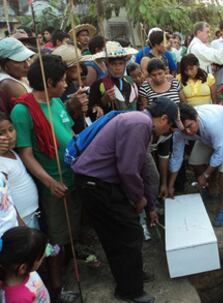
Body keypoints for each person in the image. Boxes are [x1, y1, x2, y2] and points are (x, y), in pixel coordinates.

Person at [72, 99, 183, 303]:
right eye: (170, 126)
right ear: (164, 118)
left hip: (97, 183)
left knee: (119, 234)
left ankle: (130, 279)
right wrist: (138, 199)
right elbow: (128, 170)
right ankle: (130, 290)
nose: (168, 131)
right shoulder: (139, 123)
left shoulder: (139, 123)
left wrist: (150, 205)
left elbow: (142, 170)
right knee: (128, 233)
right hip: (96, 184)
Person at [10, 55, 82, 302]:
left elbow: (70, 132)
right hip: (54, 186)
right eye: (61, 81)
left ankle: (68, 270)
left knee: (71, 230)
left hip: (72, 177)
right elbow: (26, 154)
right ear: (49, 81)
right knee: (56, 239)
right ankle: (57, 287)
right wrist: (50, 182)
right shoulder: (23, 110)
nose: (66, 84)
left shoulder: (57, 102)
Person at [168, 103, 223, 227]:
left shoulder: (212, 123)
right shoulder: (180, 130)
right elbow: (176, 157)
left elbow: (220, 152)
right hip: (205, 134)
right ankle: (211, 188)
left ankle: (222, 209)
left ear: (196, 117)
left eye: (189, 126)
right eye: (183, 130)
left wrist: (206, 174)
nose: (187, 132)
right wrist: (170, 185)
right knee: (194, 161)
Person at [0, 112, 39, 229]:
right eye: (1, 133)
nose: (9, 136)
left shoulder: (12, 152)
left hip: (32, 213)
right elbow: (5, 199)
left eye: (11, 129)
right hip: (20, 219)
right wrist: (19, 223)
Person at [89, 41, 138, 118]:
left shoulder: (130, 81)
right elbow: (90, 110)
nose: (117, 68)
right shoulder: (97, 85)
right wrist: (103, 101)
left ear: (125, 64)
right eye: (113, 64)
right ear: (107, 65)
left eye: (120, 64)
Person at [0, 226, 50, 302]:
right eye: (40, 258)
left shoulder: (28, 271)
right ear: (23, 268)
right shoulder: (18, 299)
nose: (43, 259)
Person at [52, 44, 90, 133]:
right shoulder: (54, 90)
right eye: (77, 66)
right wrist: (70, 105)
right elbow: (55, 117)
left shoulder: (74, 85)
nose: (80, 70)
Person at [0, 37, 35, 114]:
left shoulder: (19, 76)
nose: (27, 65)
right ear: (4, 64)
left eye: (28, 58)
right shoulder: (8, 84)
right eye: (20, 61)